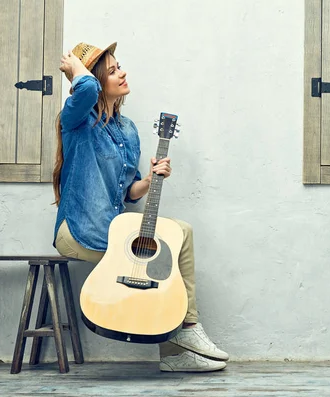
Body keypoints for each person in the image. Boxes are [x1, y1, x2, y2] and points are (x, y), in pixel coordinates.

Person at [52, 42, 227, 372]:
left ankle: (181, 344)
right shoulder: (76, 118)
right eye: (113, 70)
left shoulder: (128, 130)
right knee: (156, 250)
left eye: (121, 66)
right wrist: (78, 69)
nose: (123, 72)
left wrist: (150, 178)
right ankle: (181, 341)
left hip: (113, 230)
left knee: (179, 233)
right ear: (94, 79)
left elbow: (129, 193)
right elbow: (86, 89)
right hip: (78, 231)